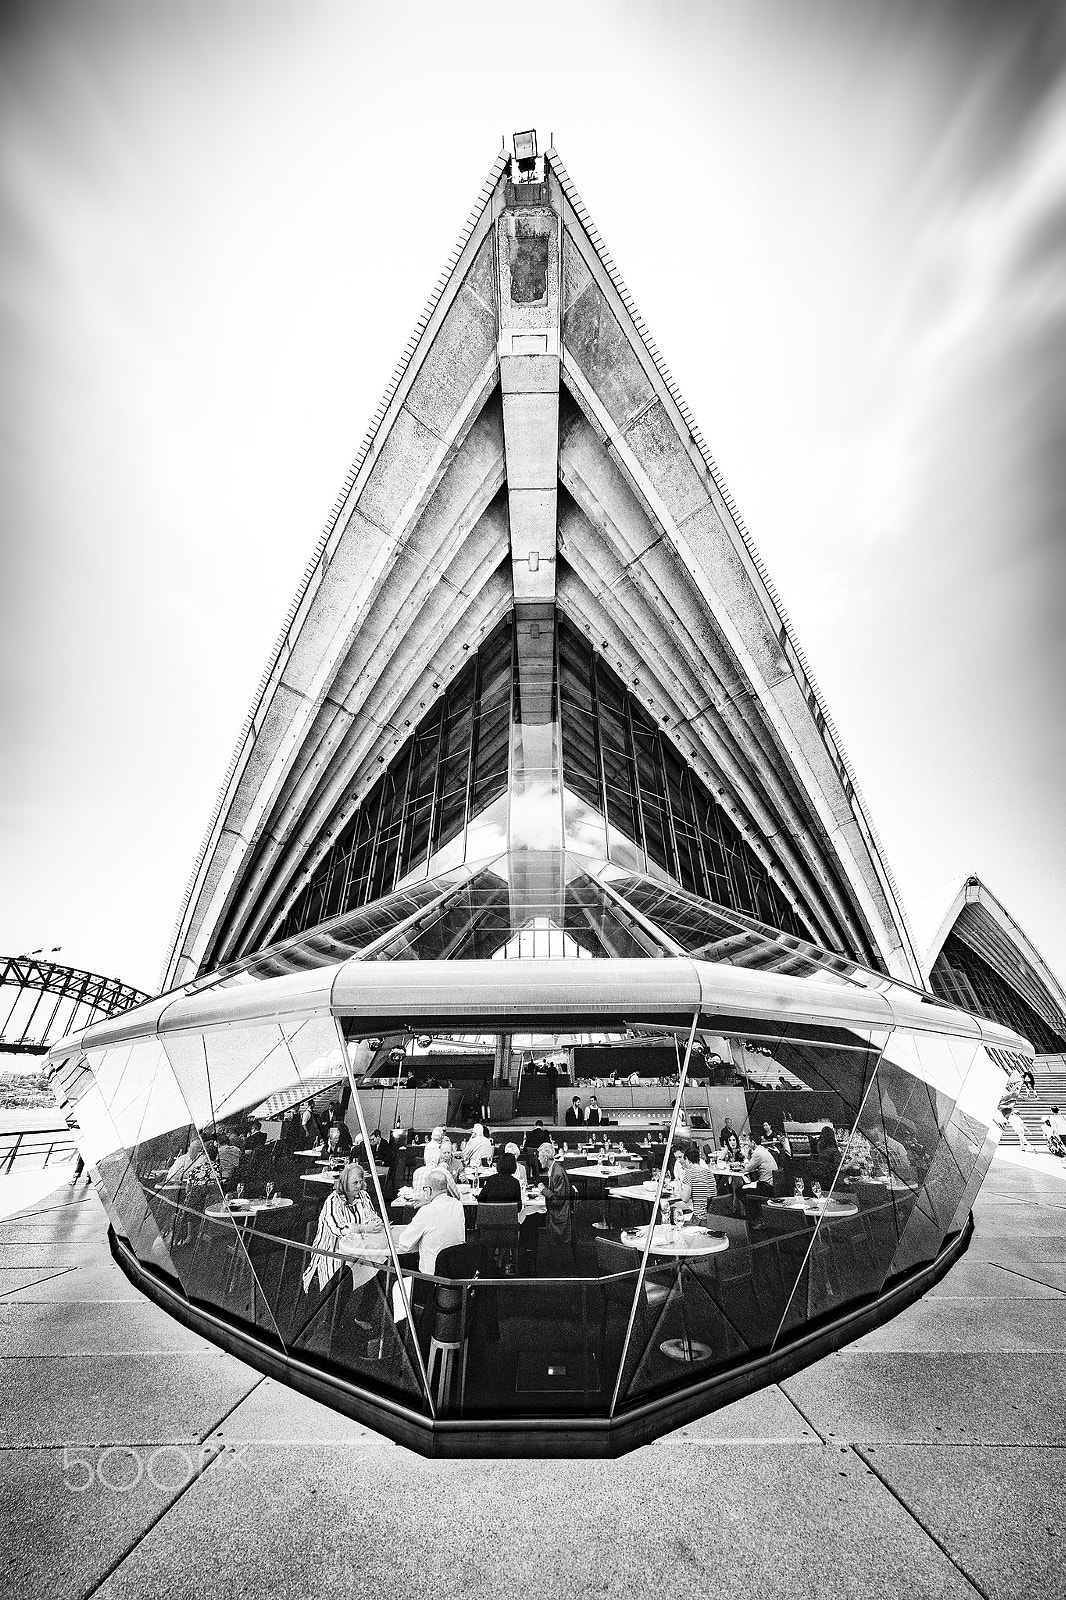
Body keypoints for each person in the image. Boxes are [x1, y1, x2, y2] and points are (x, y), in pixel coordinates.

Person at [394, 1167, 466, 1273]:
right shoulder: (458, 1206)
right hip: (455, 1273)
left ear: (429, 1190)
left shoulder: (427, 1211)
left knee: (397, 1286)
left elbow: (404, 1244)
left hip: (430, 1278)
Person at [540, 1141, 573, 1252]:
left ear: (545, 1158)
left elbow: (557, 1201)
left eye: (540, 1157)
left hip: (559, 1216)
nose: (539, 1160)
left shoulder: (557, 1172)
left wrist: (543, 1190)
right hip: (558, 1212)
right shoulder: (554, 1169)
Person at [998, 1068, 1037, 1153]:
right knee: (1022, 1138)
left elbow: (1014, 1090)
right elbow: (1013, 1090)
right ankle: (1029, 1148)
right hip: (1012, 1097)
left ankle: (1026, 1148)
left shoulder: (1019, 1082)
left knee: (1022, 1138)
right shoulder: (1019, 1082)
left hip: (1012, 1098)